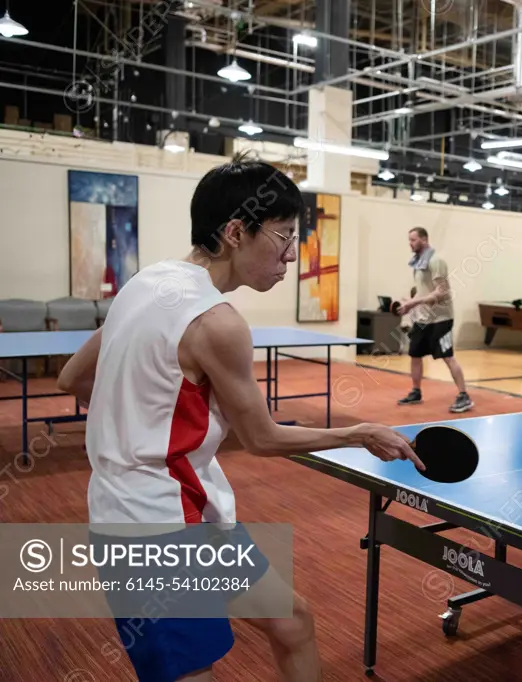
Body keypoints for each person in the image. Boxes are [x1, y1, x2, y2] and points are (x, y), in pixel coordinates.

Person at [56, 154, 423, 682]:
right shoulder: (217, 323)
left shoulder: (145, 282)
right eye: (282, 236)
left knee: (293, 620)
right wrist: (358, 432)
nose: (292, 256)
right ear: (234, 232)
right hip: (153, 529)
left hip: (190, 515)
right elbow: (262, 438)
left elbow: (72, 378)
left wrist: (138, 412)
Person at [396, 227, 473, 413]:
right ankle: (416, 392)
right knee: (414, 355)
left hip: (441, 319)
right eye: (409, 240)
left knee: (447, 356)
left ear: (424, 239)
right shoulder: (418, 263)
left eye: (413, 240)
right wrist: (411, 304)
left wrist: (414, 302)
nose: (410, 243)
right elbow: (424, 290)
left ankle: (464, 395)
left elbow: (441, 291)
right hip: (422, 319)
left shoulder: (436, 261)